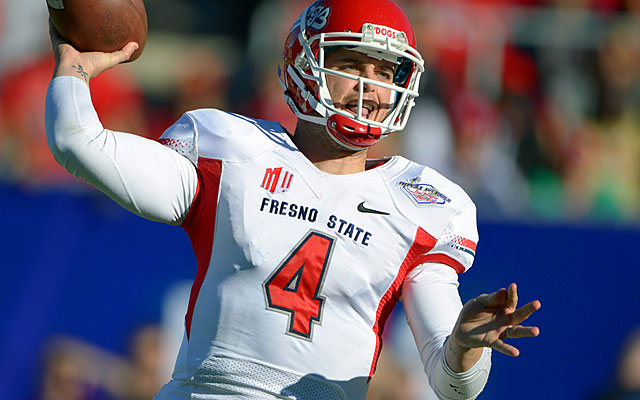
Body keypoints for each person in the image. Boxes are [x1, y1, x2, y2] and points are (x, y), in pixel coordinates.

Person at [45, 0, 541, 399]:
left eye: (387, 71)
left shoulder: (425, 205)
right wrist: (74, 68)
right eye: (351, 63)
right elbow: (77, 141)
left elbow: (455, 386)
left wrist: (464, 345)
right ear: (305, 65)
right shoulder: (229, 149)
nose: (370, 85)